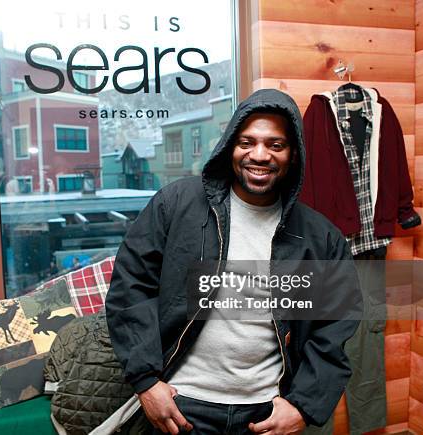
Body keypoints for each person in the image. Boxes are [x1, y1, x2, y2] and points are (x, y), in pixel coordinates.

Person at [105, 89, 363, 434]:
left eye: (275, 145)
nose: (260, 155)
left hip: (266, 412)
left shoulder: (320, 237)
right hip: (180, 404)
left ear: (293, 154)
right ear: (230, 146)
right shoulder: (177, 204)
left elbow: (334, 326)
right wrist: (146, 382)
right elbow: (131, 288)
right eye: (247, 142)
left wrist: (303, 405)